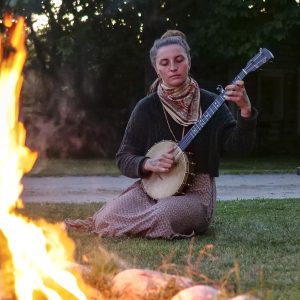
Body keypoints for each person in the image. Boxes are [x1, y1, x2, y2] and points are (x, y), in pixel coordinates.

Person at [65, 30, 257, 239]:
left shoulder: (212, 102)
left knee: (164, 215)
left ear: (189, 62)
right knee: (105, 218)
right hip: (153, 187)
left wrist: (245, 111)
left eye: (179, 60)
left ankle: (135, 223)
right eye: (164, 63)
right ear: (156, 68)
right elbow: (124, 157)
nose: (173, 67)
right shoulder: (146, 107)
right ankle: (124, 222)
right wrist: (148, 164)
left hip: (196, 193)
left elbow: (240, 148)